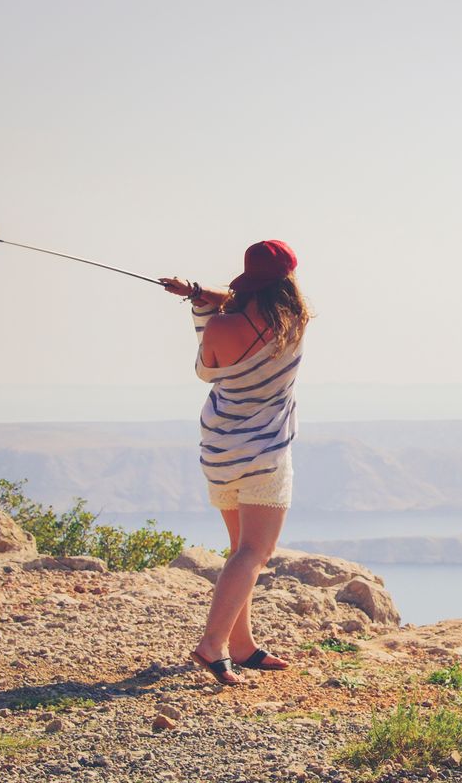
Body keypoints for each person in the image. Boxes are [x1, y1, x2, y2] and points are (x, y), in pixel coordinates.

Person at [159, 239, 311, 686]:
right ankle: (213, 644)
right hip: (265, 455)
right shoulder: (294, 324)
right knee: (253, 553)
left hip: (220, 451)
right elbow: (254, 306)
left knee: (239, 552)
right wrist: (202, 293)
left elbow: (207, 371)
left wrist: (199, 302)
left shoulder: (220, 329)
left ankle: (242, 646)